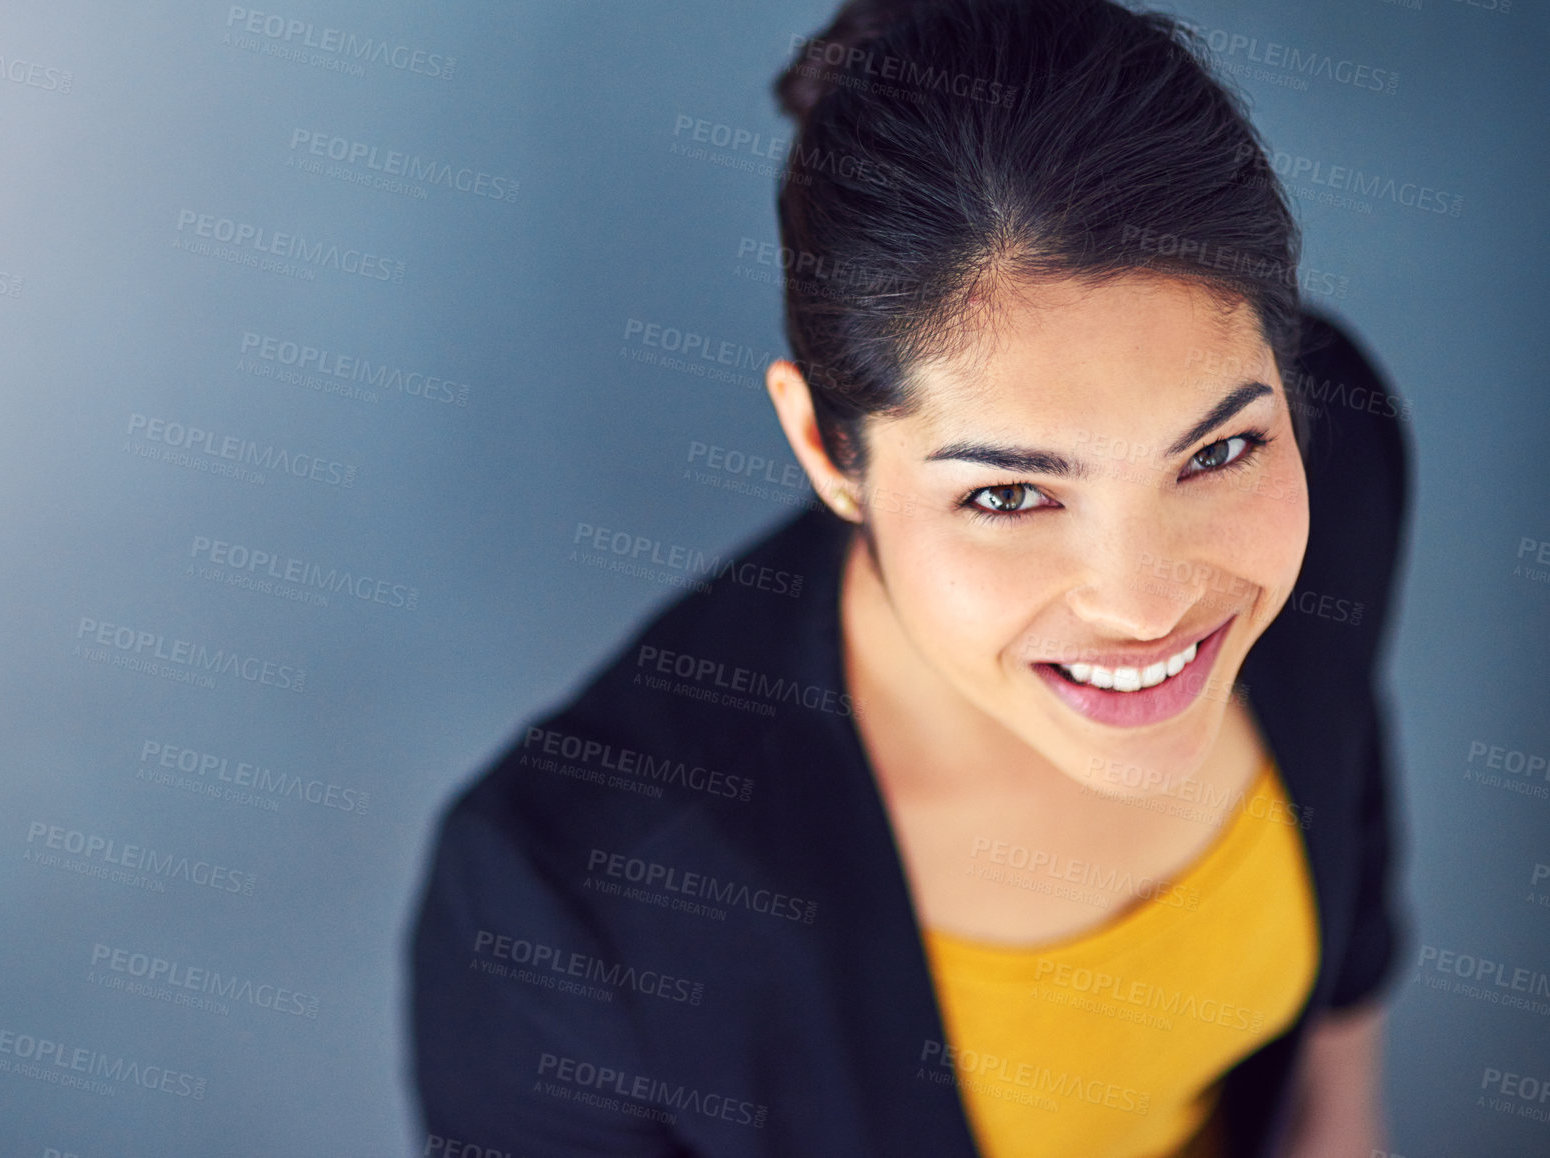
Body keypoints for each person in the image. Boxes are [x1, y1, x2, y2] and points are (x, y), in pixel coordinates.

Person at [407, 1, 1412, 1154]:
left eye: (1218, 451)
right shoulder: (570, 904)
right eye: (1007, 495)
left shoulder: (1340, 473)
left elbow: (1350, 945)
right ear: (826, 449)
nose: (1146, 607)